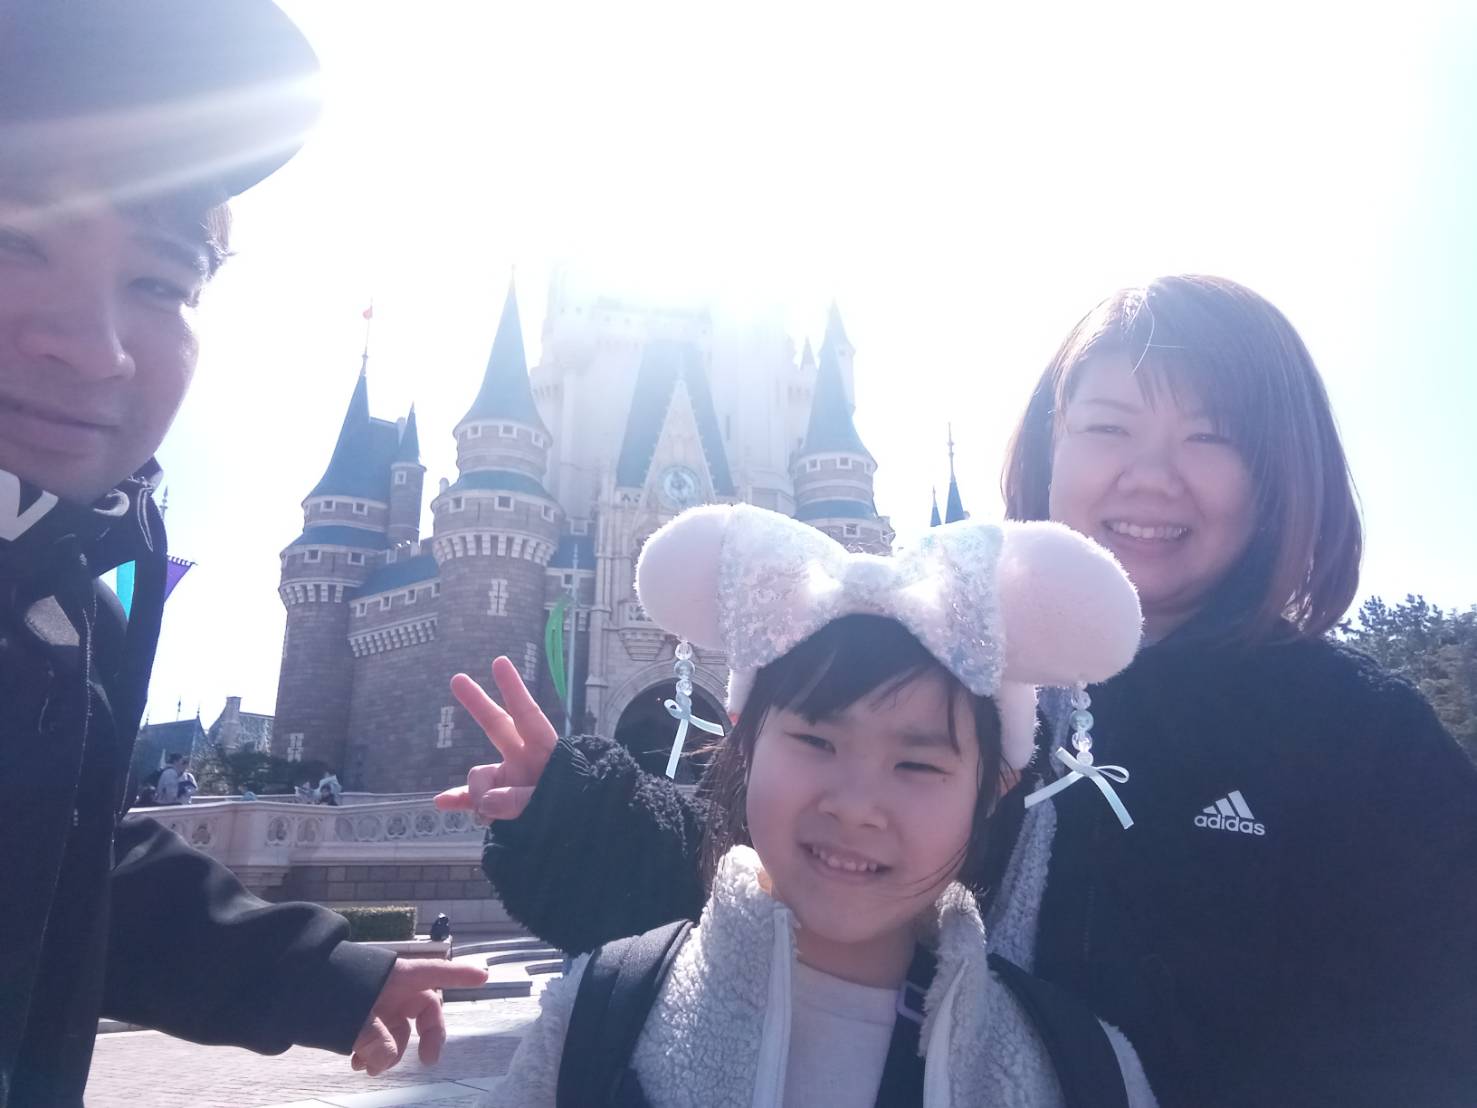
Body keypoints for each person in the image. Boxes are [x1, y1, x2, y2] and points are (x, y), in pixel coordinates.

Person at [443, 276, 1477, 1107]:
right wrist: (574, 812)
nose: (1148, 474)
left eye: (1210, 437)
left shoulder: (1359, 745)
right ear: (1050, 448)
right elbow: (799, 880)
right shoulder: (957, 675)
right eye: (1108, 428)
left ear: (1281, 472)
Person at [0, 3, 485, 1104]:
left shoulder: (65, 598)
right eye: (14, 241)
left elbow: (59, 865)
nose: (95, 347)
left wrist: (321, 974)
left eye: (161, 283)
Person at [482, 504, 1153, 1106]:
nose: (855, 806)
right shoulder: (598, 1015)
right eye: (815, 741)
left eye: (917, 764)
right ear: (744, 742)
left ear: (993, 789)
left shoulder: (1077, 1071)